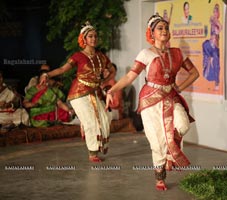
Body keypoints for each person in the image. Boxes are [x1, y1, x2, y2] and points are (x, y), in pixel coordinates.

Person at [105, 14, 199, 191]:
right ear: (152, 33)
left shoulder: (178, 53)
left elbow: (194, 73)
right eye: (160, 28)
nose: (164, 31)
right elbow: (129, 77)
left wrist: (179, 87)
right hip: (150, 100)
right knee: (157, 141)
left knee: (183, 125)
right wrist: (111, 90)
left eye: (165, 28)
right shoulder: (146, 54)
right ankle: (160, 176)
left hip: (171, 96)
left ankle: (171, 154)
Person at [39, 21, 114, 163]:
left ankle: (85, 126)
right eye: (90, 36)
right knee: (91, 122)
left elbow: (112, 70)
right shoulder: (78, 56)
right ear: (84, 39)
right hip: (79, 92)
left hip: (94, 92)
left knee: (105, 118)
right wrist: (47, 75)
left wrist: (106, 79)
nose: (93, 39)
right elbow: (62, 70)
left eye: (95, 36)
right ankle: (93, 153)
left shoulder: (101, 56)